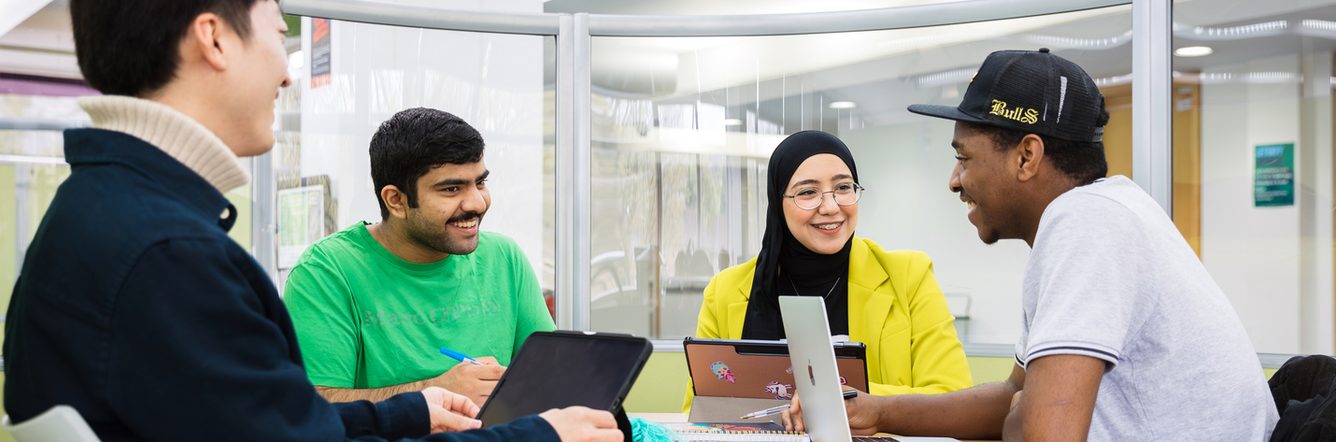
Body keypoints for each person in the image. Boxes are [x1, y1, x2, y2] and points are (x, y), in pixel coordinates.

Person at [1, 1, 619, 441]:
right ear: (214, 39)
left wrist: (411, 411)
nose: (287, 71)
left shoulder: (101, 212)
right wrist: (540, 435)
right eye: (277, 32)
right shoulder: (168, 255)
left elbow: (273, 420)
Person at [786, 48, 1279, 440]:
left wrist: (1026, 415)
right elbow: (1013, 397)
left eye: (965, 158)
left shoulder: (1086, 225)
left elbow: (1042, 434)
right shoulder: (1110, 211)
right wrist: (877, 412)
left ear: (1027, 156)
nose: (955, 181)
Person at [283, 108, 555, 408]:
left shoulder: (504, 259)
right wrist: (432, 392)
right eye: (452, 189)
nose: (478, 202)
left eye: (480, 183)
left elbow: (551, 376)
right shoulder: (327, 272)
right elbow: (311, 408)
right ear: (396, 200)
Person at [686, 130, 972, 407]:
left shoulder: (909, 276)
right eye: (808, 192)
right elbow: (699, 406)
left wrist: (839, 396)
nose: (831, 206)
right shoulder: (725, 292)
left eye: (843, 187)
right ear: (777, 203)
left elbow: (951, 398)